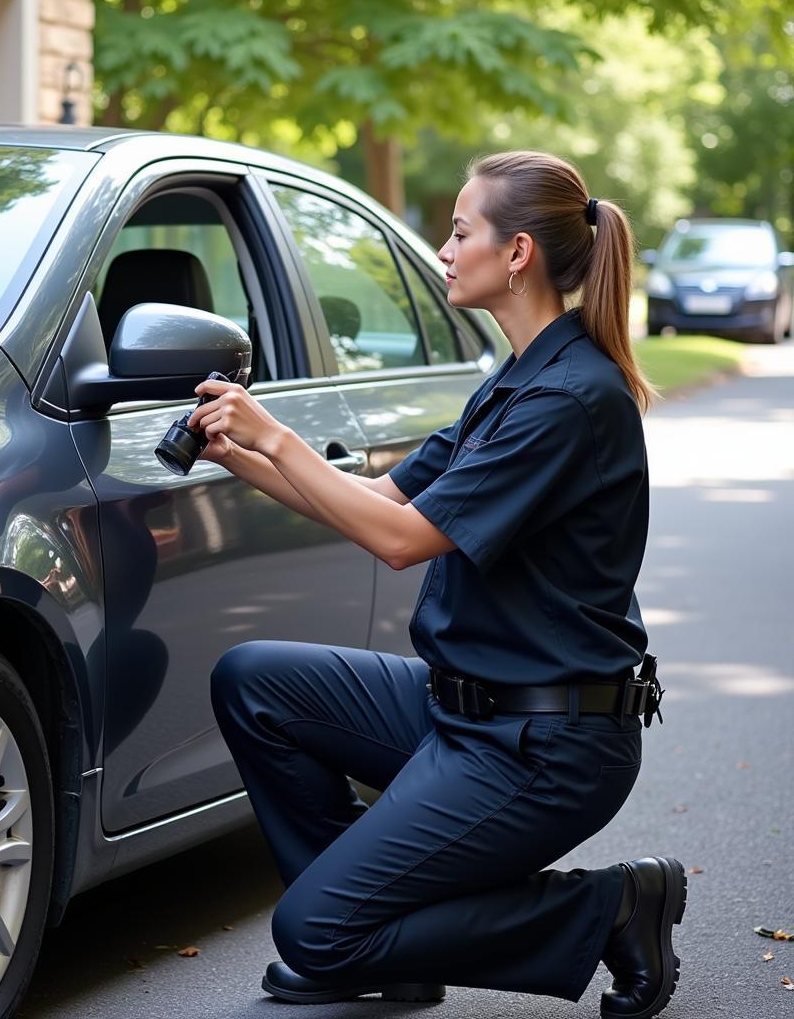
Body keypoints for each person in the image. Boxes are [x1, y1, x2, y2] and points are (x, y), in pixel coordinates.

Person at [187, 150, 685, 1018]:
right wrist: (242, 455)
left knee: (311, 932)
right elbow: (381, 499)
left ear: (518, 252)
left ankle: (611, 908)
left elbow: (401, 540)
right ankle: (381, 945)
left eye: (460, 232)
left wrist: (274, 435)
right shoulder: (516, 382)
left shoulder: (568, 401)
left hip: (546, 745)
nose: (444, 250)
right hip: (465, 709)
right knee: (254, 680)